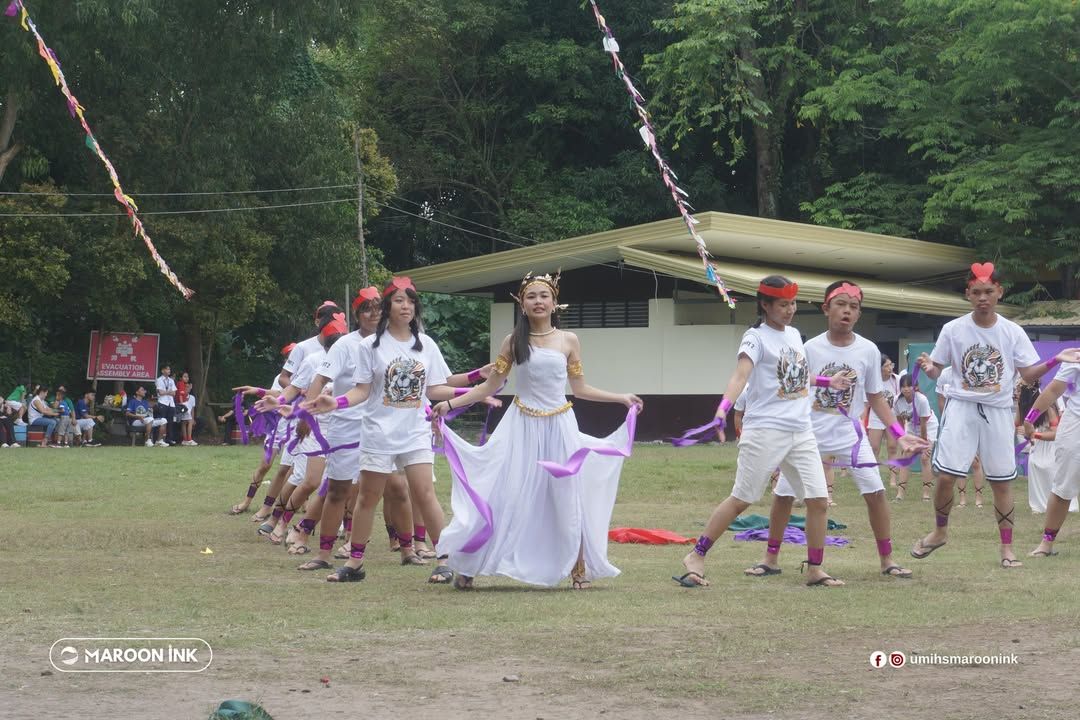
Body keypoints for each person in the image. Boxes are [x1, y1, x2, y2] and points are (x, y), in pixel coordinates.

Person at [428, 272, 642, 590]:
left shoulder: (568, 340)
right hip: (521, 426)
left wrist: (620, 397)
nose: (538, 301)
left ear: (554, 303)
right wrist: (450, 403)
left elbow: (580, 388)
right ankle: (471, 566)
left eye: (544, 296)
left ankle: (578, 569)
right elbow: (489, 386)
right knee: (506, 492)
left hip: (560, 426)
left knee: (568, 495)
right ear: (522, 304)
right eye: (531, 296)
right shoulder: (513, 341)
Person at [675, 275, 848, 588]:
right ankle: (696, 555)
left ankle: (815, 569)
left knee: (819, 500)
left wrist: (826, 381)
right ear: (765, 305)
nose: (790, 310)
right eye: (783, 305)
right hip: (765, 429)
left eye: (793, 304)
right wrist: (722, 410)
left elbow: (797, 376)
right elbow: (740, 376)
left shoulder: (793, 334)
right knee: (742, 499)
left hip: (801, 430)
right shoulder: (755, 338)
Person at [747, 281, 926, 582]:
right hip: (808, 433)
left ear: (859, 314)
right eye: (841, 304)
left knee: (876, 493)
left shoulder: (868, 350)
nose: (847, 311)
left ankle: (887, 560)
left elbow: (876, 398)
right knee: (784, 495)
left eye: (853, 307)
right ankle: (770, 558)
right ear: (826, 309)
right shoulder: (808, 348)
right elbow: (793, 388)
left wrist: (899, 431)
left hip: (849, 434)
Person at [912, 262, 1080, 568]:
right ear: (968, 294)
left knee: (1001, 482)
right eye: (976, 292)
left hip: (999, 411)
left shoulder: (1012, 331)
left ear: (999, 292)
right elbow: (937, 369)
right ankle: (939, 532)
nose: (982, 298)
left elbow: (1028, 375)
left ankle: (1007, 548)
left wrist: (1055, 359)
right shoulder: (953, 329)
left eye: (988, 291)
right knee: (947, 476)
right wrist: (929, 368)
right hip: (961, 407)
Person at [307, 277, 462, 585]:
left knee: (424, 493)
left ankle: (444, 560)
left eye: (411, 301)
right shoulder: (369, 346)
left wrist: (477, 389)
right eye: (399, 301)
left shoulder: (426, 344)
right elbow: (362, 391)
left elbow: (435, 389)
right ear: (388, 306)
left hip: (415, 432)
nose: (406, 306)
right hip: (378, 432)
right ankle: (355, 563)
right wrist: (336, 402)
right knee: (368, 497)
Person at [1024, 359, 1080, 558]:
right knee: (1063, 487)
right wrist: (1030, 418)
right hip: (1075, 428)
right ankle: (1046, 543)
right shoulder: (1075, 358)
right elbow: (1053, 390)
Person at [1017, 382, 1076, 514]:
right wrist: (1024, 429)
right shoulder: (1024, 408)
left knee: (1049, 467)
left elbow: (1055, 433)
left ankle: (1061, 505)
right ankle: (1039, 506)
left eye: (1020, 391)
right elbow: (1018, 425)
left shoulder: (1048, 408)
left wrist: (1034, 434)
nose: (1017, 394)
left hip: (1050, 446)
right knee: (1034, 463)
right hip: (1037, 446)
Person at [936, 366, 985, 508]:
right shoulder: (944, 374)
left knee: (975, 461)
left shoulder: (972, 371)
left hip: (972, 421)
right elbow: (941, 400)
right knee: (957, 462)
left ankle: (979, 497)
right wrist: (948, 422)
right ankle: (962, 497)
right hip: (953, 424)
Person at [892, 374, 937, 501]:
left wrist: (924, 444)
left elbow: (923, 424)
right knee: (906, 456)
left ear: (915, 387)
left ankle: (926, 494)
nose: (906, 389)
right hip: (911, 426)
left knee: (925, 457)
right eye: (903, 386)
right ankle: (900, 494)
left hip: (928, 426)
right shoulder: (897, 400)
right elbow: (899, 421)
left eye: (909, 386)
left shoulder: (921, 400)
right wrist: (903, 440)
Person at [867, 353, 901, 489]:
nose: (890, 368)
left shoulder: (897, 379)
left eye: (891, 365)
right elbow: (866, 402)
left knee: (892, 447)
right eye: (887, 366)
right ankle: (875, 478)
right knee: (874, 448)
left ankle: (893, 478)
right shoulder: (873, 381)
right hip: (875, 417)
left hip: (892, 418)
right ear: (879, 368)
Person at [155, 364, 178, 445]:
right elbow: (160, 392)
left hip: (171, 403)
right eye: (167, 369)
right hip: (162, 402)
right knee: (162, 421)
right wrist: (169, 392)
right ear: (162, 371)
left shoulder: (171, 380)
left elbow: (174, 393)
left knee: (170, 422)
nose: (169, 371)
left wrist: (166, 392)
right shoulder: (159, 380)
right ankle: (159, 439)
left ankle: (169, 439)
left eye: (169, 369)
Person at [176, 371, 198, 446]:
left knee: (184, 422)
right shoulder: (180, 383)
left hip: (183, 404)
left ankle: (185, 440)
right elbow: (180, 395)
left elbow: (184, 394)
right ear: (180, 378)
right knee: (189, 421)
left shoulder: (182, 384)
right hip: (183, 404)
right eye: (185, 376)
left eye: (187, 377)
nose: (187, 378)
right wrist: (182, 404)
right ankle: (189, 439)